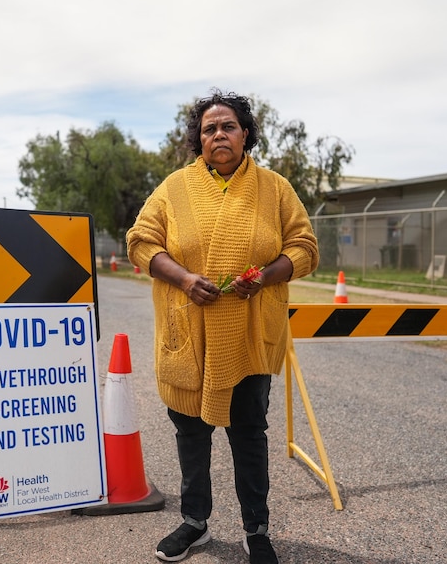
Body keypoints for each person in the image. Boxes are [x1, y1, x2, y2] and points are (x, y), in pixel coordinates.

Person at [126, 90, 319, 564]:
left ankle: (257, 529)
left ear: (245, 133)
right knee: (191, 435)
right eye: (209, 128)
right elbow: (139, 241)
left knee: (249, 434)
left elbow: (306, 247)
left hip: (249, 338)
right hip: (188, 337)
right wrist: (185, 279)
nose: (218, 135)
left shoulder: (274, 188)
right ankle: (195, 522)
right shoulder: (173, 189)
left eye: (227, 126)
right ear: (199, 139)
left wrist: (267, 276)